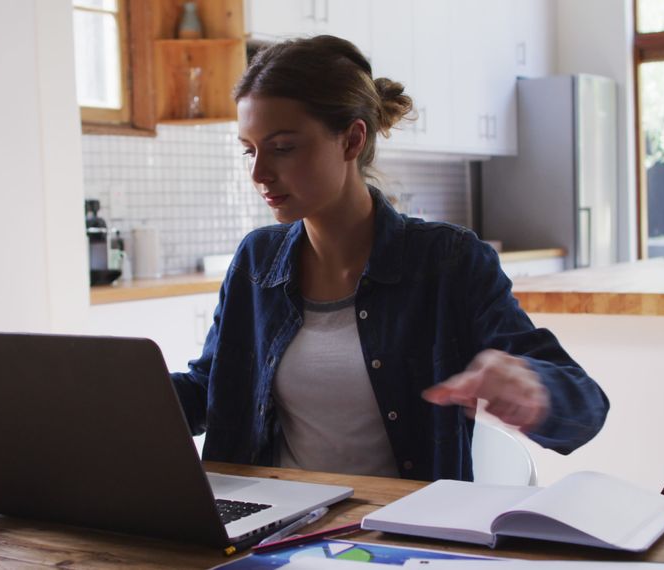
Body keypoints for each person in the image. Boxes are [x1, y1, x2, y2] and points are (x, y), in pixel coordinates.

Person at [170, 35, 608, 482]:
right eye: (250, 149)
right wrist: (115, 395)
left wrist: (536, 390)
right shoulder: (257, 261)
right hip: (273, 530)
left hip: (404, 536)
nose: (259, 173)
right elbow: (214, 390)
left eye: (283, 147)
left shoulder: (447, 262)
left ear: (351, 140)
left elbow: (587, 409)